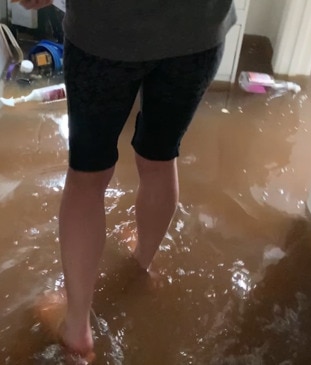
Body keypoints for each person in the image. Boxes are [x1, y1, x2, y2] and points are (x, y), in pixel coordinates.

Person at [17, 0, 236, 360]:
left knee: (88, 176)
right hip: (197, 31)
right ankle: (142, 264)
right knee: (161, 156)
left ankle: (77, 329)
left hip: (106, 32)